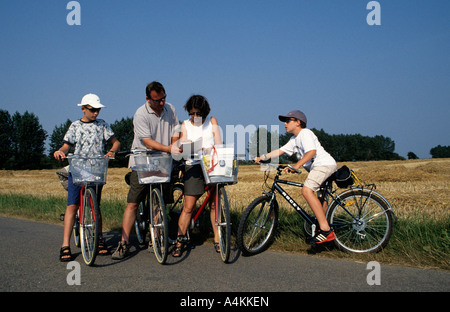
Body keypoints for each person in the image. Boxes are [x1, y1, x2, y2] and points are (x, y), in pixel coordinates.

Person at [112, 81, 180, 260]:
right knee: (133, 202)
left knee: (159, 203)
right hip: (142, 160)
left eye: (164, 98)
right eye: (158, 100)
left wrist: (173, 145)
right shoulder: (140, 114)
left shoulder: (170, 109)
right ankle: (124, 243)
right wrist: (168, 149)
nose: (162, 103)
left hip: (163, 161)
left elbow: (176, 129)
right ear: (148, 100)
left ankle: (155, 237)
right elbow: (147, 141)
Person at [254, 110, 337, 245]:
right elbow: (279, 151)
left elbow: (311, 152)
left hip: (323, 165)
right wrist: (262, 157)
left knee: (306, 190)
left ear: (298, 122)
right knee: (321, 199)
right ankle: (322, 230)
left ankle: (326, 231)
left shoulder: (305, 133)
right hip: (322, 166)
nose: (285, 124)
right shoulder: (294, 140)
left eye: (288, 121)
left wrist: (296, 166)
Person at [54, 93, 120, 262]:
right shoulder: (75, 126)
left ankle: (98, 239)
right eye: (92, 110)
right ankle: (65, 245)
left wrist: (112, 151)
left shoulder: (102, 125)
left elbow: (116, 142)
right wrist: (61, 151)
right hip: (77, 168)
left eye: (97, 110)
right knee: (73, 205)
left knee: (95, 205)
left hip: (96, 168)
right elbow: (67, 145)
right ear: (83, 108)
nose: (95, 113)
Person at [172, 95, 222, 257]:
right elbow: (183, 141)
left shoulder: (212, 121)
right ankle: (179, 240)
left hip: (210, 164)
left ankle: (217, 239)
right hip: (193, 165)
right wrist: (189, 145)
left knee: (215, 205)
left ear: (205, 112)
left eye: (198, 114)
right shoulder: (185, 125)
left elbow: (218, 142)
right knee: (188, 206)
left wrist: (213, 149)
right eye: (192, 113)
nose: (195, 117)